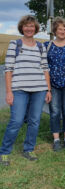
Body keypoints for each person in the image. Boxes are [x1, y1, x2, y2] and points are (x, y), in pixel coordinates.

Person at [0, 15, 51, 166]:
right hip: (19, 89)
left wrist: (48, 90)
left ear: (36, 28)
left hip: (39, 89)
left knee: (34, 121)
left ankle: (28, 149)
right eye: (26, 26)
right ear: (22, 27)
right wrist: (9, 92)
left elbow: (45, 69)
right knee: (16, 121)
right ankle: (4, 152)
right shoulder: (14, 44)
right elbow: (8, 69)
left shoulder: (41, 46)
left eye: (32, 26)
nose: (29, 28)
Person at [44, 17, 65, 151]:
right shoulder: (47, 46)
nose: (62, 31)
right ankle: (56, 139)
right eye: (60, 29)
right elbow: (43, 65)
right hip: (52, 85)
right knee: (54, 112)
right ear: (54, 30)